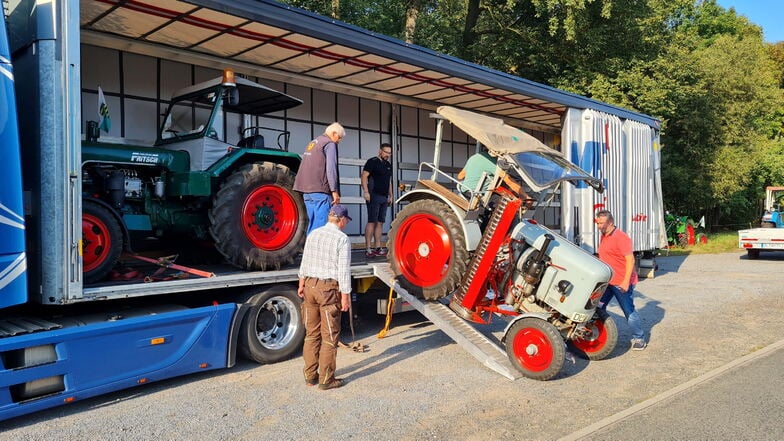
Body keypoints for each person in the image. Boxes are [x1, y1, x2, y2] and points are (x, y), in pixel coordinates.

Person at [297, 204, 353, 390]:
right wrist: (345, 296)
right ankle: (327, 380)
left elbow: (305, 261)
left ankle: (310, 376)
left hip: (310, 286)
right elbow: (343, 270)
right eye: (346, 221)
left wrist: (301, 283)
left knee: (311, 334)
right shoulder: (342, 239)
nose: (345, 224)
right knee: (329, 336)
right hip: (328, 289)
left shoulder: (314, 234)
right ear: (342, 220)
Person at [595, 209, 647, 351]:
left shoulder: (621, 237)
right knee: (598, 307)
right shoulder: (604, 235)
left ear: (611, 222)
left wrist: (625, 282)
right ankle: (599, 334)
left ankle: (639, 338)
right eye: (597, 223)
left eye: (602, 223)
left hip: (620, 283)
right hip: (608, 282)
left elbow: (630, 260)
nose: (599, 226)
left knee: (628, 310)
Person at [293, 122, 346, 235]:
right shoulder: (329, 144)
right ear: (334, 133)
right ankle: (318, 252)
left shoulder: (314, 142)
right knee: (322, 227)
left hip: (307, 192)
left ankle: (309, 252)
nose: (339, 141)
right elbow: (331, 168)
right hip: (320, 191)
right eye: (339, 137)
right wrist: (334, 191)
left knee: (312, 225)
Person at [361, 142, 393, 258]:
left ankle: (378, 247)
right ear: (380, 151)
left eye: (389, 153)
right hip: (373, 195)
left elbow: (389, 181)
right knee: (372, 221)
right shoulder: (372, 161)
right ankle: (368, 248)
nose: (387, 155)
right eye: (386, 152)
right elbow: (364, 176)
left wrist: (391, 195)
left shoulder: (388, 165)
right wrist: (366, 192)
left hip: (384, 197)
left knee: (380, 223)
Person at [458, 150, 529, 199]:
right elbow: (509, 181)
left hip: (464, 192)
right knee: (505, 202)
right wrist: (525, 196)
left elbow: (460, 176)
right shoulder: (493, 163)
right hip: (477, 196)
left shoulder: (474, 157)